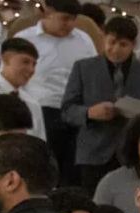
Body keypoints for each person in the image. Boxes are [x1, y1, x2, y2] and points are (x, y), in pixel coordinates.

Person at [62, 16, 140, 195]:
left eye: (123, 44)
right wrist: (89, 113)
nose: (115, 50)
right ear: (104, 39)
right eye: (112, 42)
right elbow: (67, 110)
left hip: (134, 154)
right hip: (93, 153)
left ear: (133, 45)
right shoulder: (83, 68)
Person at [16, 0, 96, 187]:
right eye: (65, 19)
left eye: (74, 19)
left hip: (76, 112)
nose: (70, 24)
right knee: (42, 169)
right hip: (40, 111)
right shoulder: (25, 39)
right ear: (48, 11)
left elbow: (93, 74)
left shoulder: (83, 39)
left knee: (73, 173)